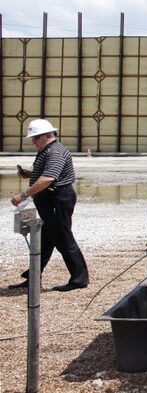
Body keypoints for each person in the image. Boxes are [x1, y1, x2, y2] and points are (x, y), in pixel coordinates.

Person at [9, 119, 89, 292]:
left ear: (46, 136)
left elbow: (49, 178)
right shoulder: (50, 150)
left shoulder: (54, 152)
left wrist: (23, 195)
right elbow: (49, 174)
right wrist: (29, 174)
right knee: (45, 241)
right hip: (52, 200)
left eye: (35, 138)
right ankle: (32, 277)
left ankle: (79, 278)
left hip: (56, 200)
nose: (33, 142)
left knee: (63, 239)